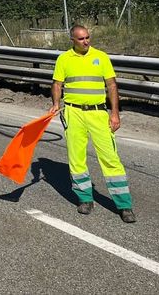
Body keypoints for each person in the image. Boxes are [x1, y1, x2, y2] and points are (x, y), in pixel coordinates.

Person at [49, 25, 136, 223]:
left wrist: (115, 113)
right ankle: (85, 199)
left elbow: (112, 85)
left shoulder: (101, 57)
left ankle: (124, 205)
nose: (86, 41)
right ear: (72, 40)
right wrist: (55, 104)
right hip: (73, 113)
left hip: (98, 114)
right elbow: (57, 84)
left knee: (110, 158)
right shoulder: (64, 59)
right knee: (77, 159)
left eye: (88, 37)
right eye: (81, 39)